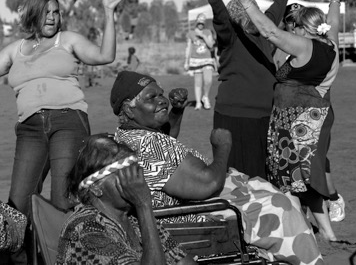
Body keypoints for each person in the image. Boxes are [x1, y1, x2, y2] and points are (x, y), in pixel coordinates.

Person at [0, 0, 130, 263]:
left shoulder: (68, 40)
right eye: (46, 12)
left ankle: (67, 257)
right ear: (33, 15)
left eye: (56, 12)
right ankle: (28, 258)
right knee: (18, 203)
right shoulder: (17, 50)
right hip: (30, 129)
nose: (52, 17)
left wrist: (109, 12)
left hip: (68, 121)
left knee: (62, 199)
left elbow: (105, 56)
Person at [110, 70, 323, 265]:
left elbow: (164, 144)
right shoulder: (150, 145)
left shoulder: (126, 137)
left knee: (280, 197)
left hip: (186, 207)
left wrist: (175, 111)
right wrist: (222, 148)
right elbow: (207, 185)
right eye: (151, 98)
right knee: (282, 207)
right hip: (197, 219)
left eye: (160, 94)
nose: (161, 100)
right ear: (129, 108)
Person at [232, 0, 351, 242]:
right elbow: (332, 25)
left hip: (299, 121)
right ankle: (321, 231)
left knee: (297, 178)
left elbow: (270, 32)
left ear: (304, 28)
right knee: (301, 178)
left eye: (294, 25)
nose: (291, 29)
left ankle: (317, 231)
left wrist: (245, 1)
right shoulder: (329, 43)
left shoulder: (304, 45)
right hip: (312, 117)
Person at [194, 0, 296, 179]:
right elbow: (220, 15)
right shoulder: (230, 37)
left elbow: (277, 10)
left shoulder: (264, 32)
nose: (254, 13)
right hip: (234, 116)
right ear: (237, 17)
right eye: (248, 10)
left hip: (265, 115)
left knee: (265, 173)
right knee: (235, 175)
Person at [57, 133, 194, 265]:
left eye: (135, 171)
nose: (136, 181)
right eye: (125, 174)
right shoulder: (85, 229)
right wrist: (144, 205)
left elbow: (184, 261)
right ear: (95, 188)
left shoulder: (134, 219)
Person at [276, 3, 346, 224]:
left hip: (312, 113)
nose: (293, 25)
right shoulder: (283, 47)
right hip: (291, 114)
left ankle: (332, 200)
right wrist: (334, 0)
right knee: (305, 165)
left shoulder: (317, 47)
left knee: (310, 165)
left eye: (297, 21)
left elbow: (332, 28)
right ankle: (313, 211)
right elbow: (333, 26)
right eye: (290, 20)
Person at [184, 13, 215, 110]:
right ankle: (198, 103)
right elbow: (188, 48)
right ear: (196, 20)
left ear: (205, 22)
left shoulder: (208, 32)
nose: (201, 21)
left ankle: (205, 97)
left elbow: (211, 45)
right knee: (198, 82)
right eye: (200, 19)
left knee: (208, 80)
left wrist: (202, 36)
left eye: (203, 19)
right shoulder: (190, 33)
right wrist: (186, 61)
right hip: (195, 60)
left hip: (207, 59)